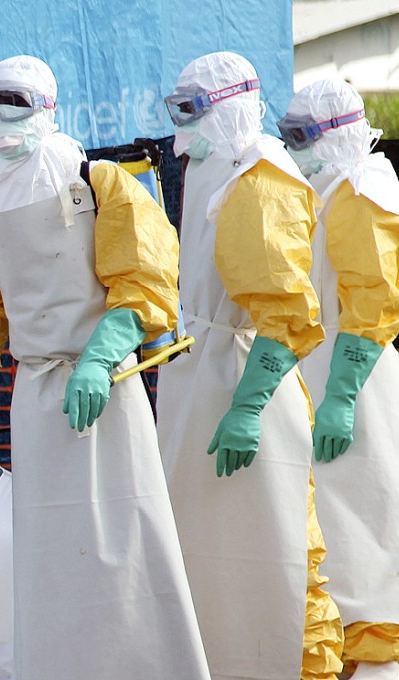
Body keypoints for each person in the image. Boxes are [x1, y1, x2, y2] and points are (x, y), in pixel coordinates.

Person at [0, 54, 210, 679]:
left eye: (17, 106)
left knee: (128, 538)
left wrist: (102, 356)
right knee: (53, 555)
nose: (3, 121)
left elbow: (145, 279)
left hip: (109, 389)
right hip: (36, 398)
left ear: (48, 109)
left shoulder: (97, 181)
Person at [156, 51, 344, 679]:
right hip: (202, 376)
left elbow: (287, 311)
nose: (183, 128)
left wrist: (248, 406)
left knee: (284, 554)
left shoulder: (260, 179)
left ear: (230, 104)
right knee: (211, 552)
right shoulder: (217, 166)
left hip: (243, 384)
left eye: (193, 108)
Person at [280, 79, 399, 680]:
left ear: (338, 133)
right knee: (334, 536)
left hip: (355, 386)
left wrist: (342, 397)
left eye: (300, 136)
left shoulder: (360, 191)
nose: (290, 147)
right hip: (317, 382)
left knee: (362, 548)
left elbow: (374, 302)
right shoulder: (321, 193)